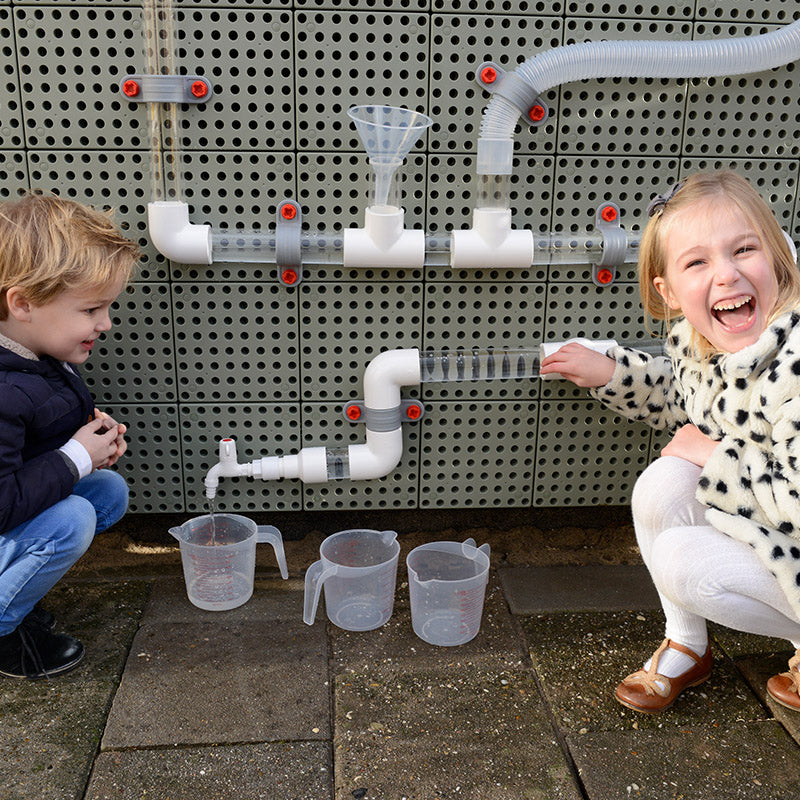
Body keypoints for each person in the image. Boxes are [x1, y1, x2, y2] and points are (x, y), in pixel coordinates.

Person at [540, 171, 800, 714]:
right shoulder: (704, 341)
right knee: (661, 484)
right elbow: (686, 395)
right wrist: (609, 371)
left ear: (776, 257)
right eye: (697, 262)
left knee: (685, 563)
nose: (726, 275)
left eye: (744, 250)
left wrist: (715, 456)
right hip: (773, 529)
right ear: (670, 291)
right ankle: (687, 644)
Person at [0, 193, 139, 679]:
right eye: (91, 310)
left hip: (16, 509)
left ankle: (14, 592)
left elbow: (37, 423)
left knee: (107, 493)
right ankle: (4, 628)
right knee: (74, 517)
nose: (104, 323)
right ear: (23, 303)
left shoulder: (32, 357)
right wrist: (76, 456)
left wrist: (90, 440)